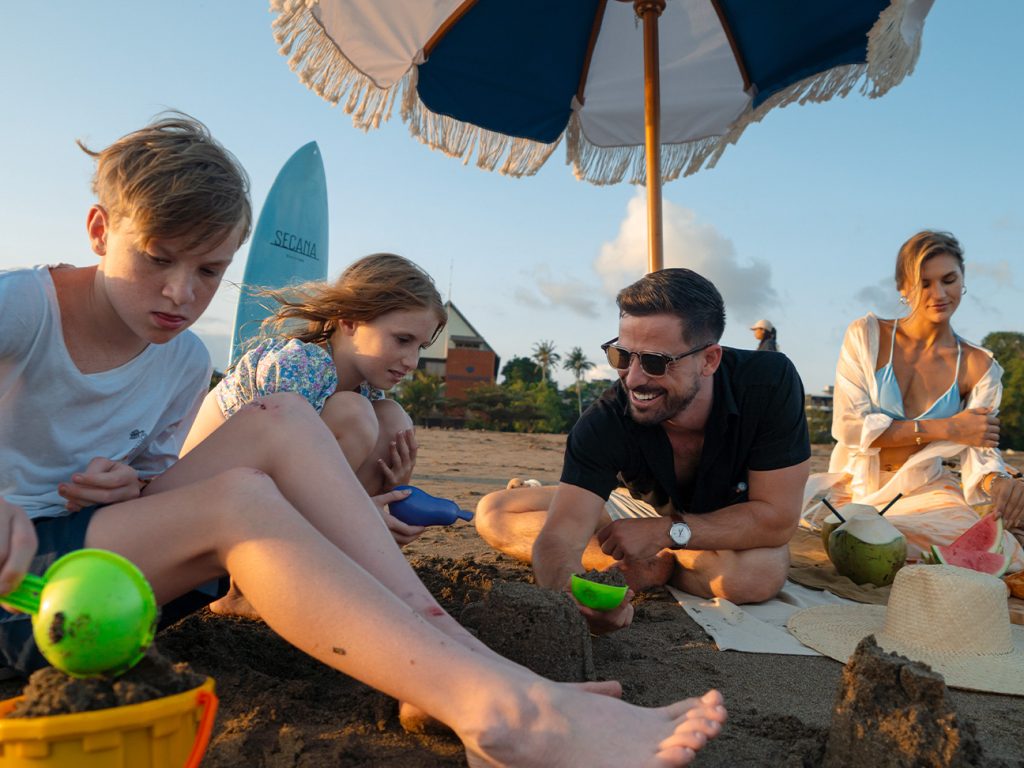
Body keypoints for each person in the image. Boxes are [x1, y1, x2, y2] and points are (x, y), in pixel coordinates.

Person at [0, 114, 726, 766]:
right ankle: (493, 705)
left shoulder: (183, 358)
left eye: (209, 271)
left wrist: (122, 486)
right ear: (100, 230)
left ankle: (458, 661)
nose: (181, 294)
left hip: (99, 580)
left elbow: (155, 486)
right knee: (239, 499)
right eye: (158, 259)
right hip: (21, 595)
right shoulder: (22, 310)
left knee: (284, 417)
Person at [475, 269, 811, 635]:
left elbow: (777, 520)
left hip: (723, 524)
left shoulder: (768, 383)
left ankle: (657, 562)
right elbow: (559, 539)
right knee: (491, 513)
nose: (633, 379)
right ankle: (633, 544)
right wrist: (572, 596)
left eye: (654, 362)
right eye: (622, 356)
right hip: (635, 513)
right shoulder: (606, 419)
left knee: (756, 575)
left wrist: (665, 532)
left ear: (709, 360)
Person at [182, 252, 447, 545]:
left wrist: (393, 487)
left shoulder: (367, 388)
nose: (412, 361)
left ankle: (341, 547)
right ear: (349, 321)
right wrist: (359, 514)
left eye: (420, 347)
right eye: (402, 340)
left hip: (259, 502)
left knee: (393, 420)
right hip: (198, 504)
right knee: (354, 413)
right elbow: (265, 467)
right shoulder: (297, 365)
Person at [803, 231, 1024, 568]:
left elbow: (981, 453)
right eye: (924, 284)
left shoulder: (980, 366)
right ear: (903, 288)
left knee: (1002, 554)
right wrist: (947, 428)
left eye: (949, 280)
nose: (939, 294)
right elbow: (850, 428)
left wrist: (1000, 485)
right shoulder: (867, 336)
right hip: (856, 486)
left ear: (962, 279)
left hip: (926, 490)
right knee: (870, 541)